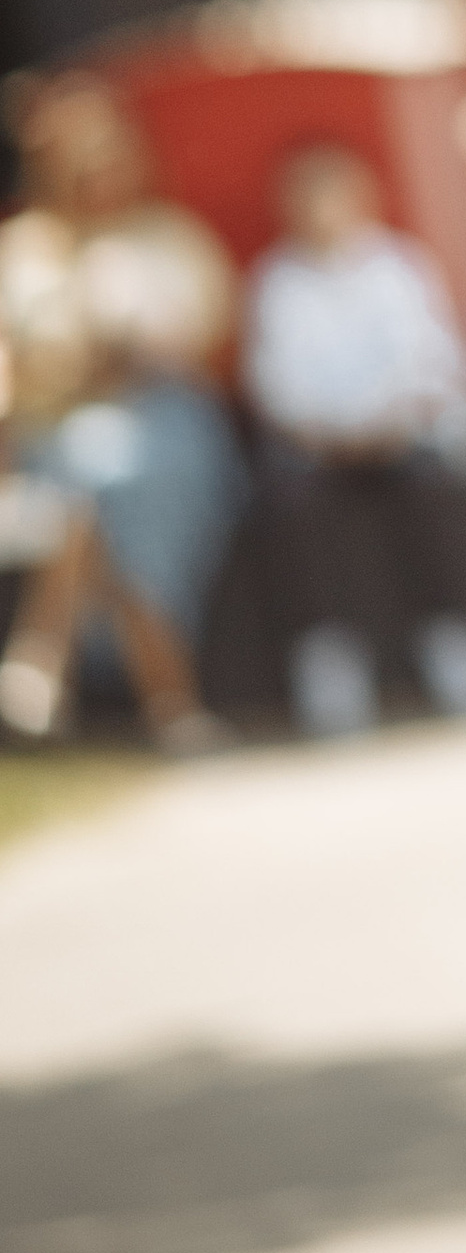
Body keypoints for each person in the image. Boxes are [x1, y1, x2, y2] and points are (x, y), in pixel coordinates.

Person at [0, 74, 243, 753]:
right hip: (57, 434)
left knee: (108, 477)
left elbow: (215, 343)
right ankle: (175, 707)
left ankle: (42, 653)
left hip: (168, 427)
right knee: (98, 475)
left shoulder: (169, 237)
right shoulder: (24, 249)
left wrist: (146, 351)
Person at [241, 144, 466, 741]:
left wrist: (385, 423)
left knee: (429, 488)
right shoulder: (274, 283)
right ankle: (328, 657)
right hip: (316, 448)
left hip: (400, 437)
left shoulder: (399, 266)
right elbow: (275, 383)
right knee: (291, 505)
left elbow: (428, 361)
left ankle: (453, 638)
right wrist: (327, 432)